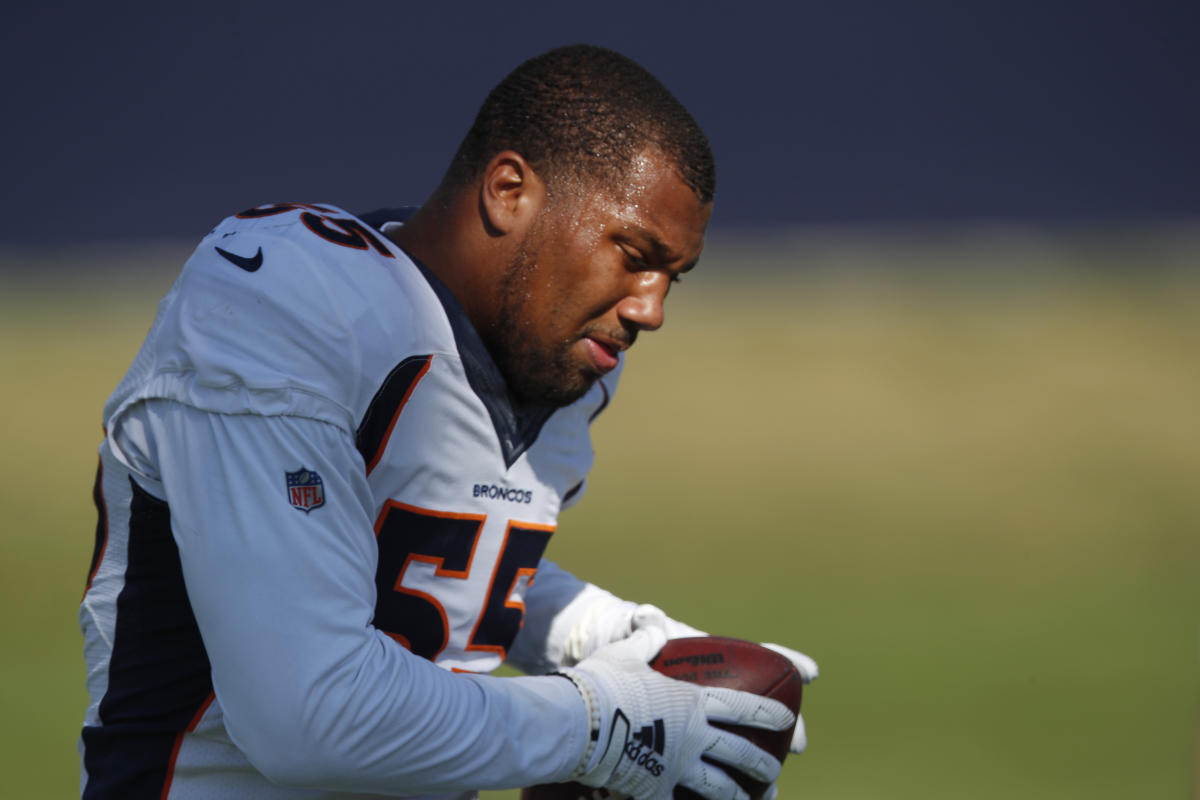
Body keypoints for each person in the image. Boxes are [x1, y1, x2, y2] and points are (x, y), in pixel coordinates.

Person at [78, 44, 818, 800]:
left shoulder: (560, 358)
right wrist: (601, 724)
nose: (650, 309)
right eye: (632, 254)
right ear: (508, 191)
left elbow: (423, 552)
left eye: (673, 277)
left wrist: (601, 633)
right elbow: (309, 715)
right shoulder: (286, 310)